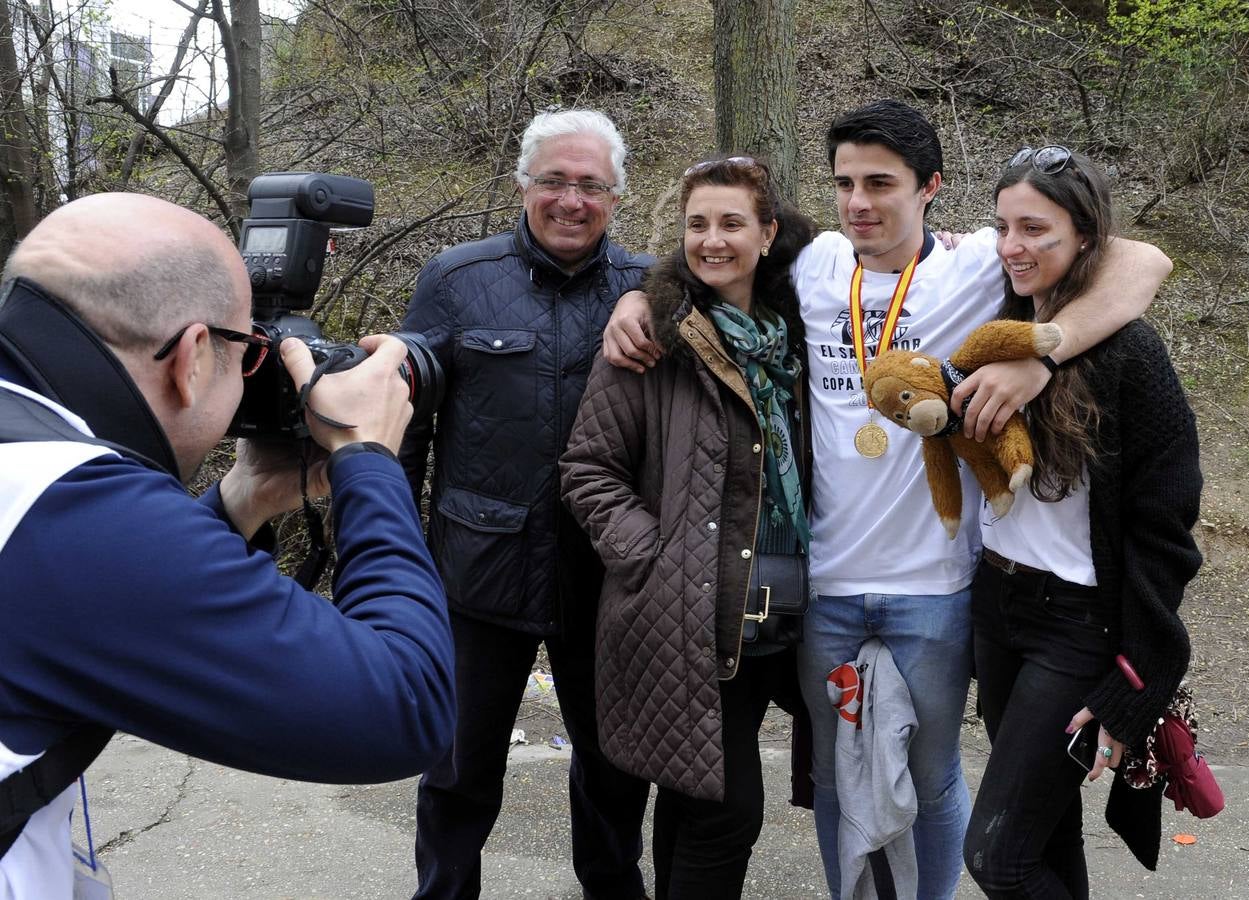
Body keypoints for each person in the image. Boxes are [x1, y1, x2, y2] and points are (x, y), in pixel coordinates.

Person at [602, 99, 1174, 900]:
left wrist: (1042, 358)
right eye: (844, 183)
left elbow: (1141, 262)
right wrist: (638, 300)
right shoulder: (811, 262)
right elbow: (703, 260)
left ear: (930, 186)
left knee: (929, 779)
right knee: (840, 784)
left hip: (937, 587)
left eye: (881, 183)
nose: (859, 202)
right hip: (826, 586)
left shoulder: (980, 264)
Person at [0, 193, 456, 898]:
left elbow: (100, 601)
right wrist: (367, 457)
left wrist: (244, 499)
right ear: (189, 358)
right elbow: (406, 705)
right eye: (246, 354)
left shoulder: (33, 468)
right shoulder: (70, 508)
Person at [398, 108, 651, 900]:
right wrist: (395, 551)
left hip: (607, 574)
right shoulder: (457, 279)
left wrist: (950, 245)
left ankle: (612, 889)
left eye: (590, 185)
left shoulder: (653, 290)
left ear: (617, 197)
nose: (571, 199)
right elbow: (404, 421)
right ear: (521, 186)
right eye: (553, 181)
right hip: (477, 570)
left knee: (614, 767)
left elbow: (765, 271)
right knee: (458, 767)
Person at [560, 155, 815, 899]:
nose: (712, 240)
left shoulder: (804, 336)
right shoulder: (652, 340)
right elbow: (587, 469)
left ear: (768, 234)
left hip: (794, 609)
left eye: (732, 223)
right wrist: (655, 555)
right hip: (692, 611)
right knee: (725, 811)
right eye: (697, 224)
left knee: (695, 800)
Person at [961, 146, 1201, 898]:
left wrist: (1142, 676)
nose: (1011, 247)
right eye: (1002, 226)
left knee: (997, 856)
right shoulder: (997, 320)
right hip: (997, 611)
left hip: (1076, 628)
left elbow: (1165, 528)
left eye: (1035, 228)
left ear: (1087, 239)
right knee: (1044, 834)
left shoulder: (1130, 353)